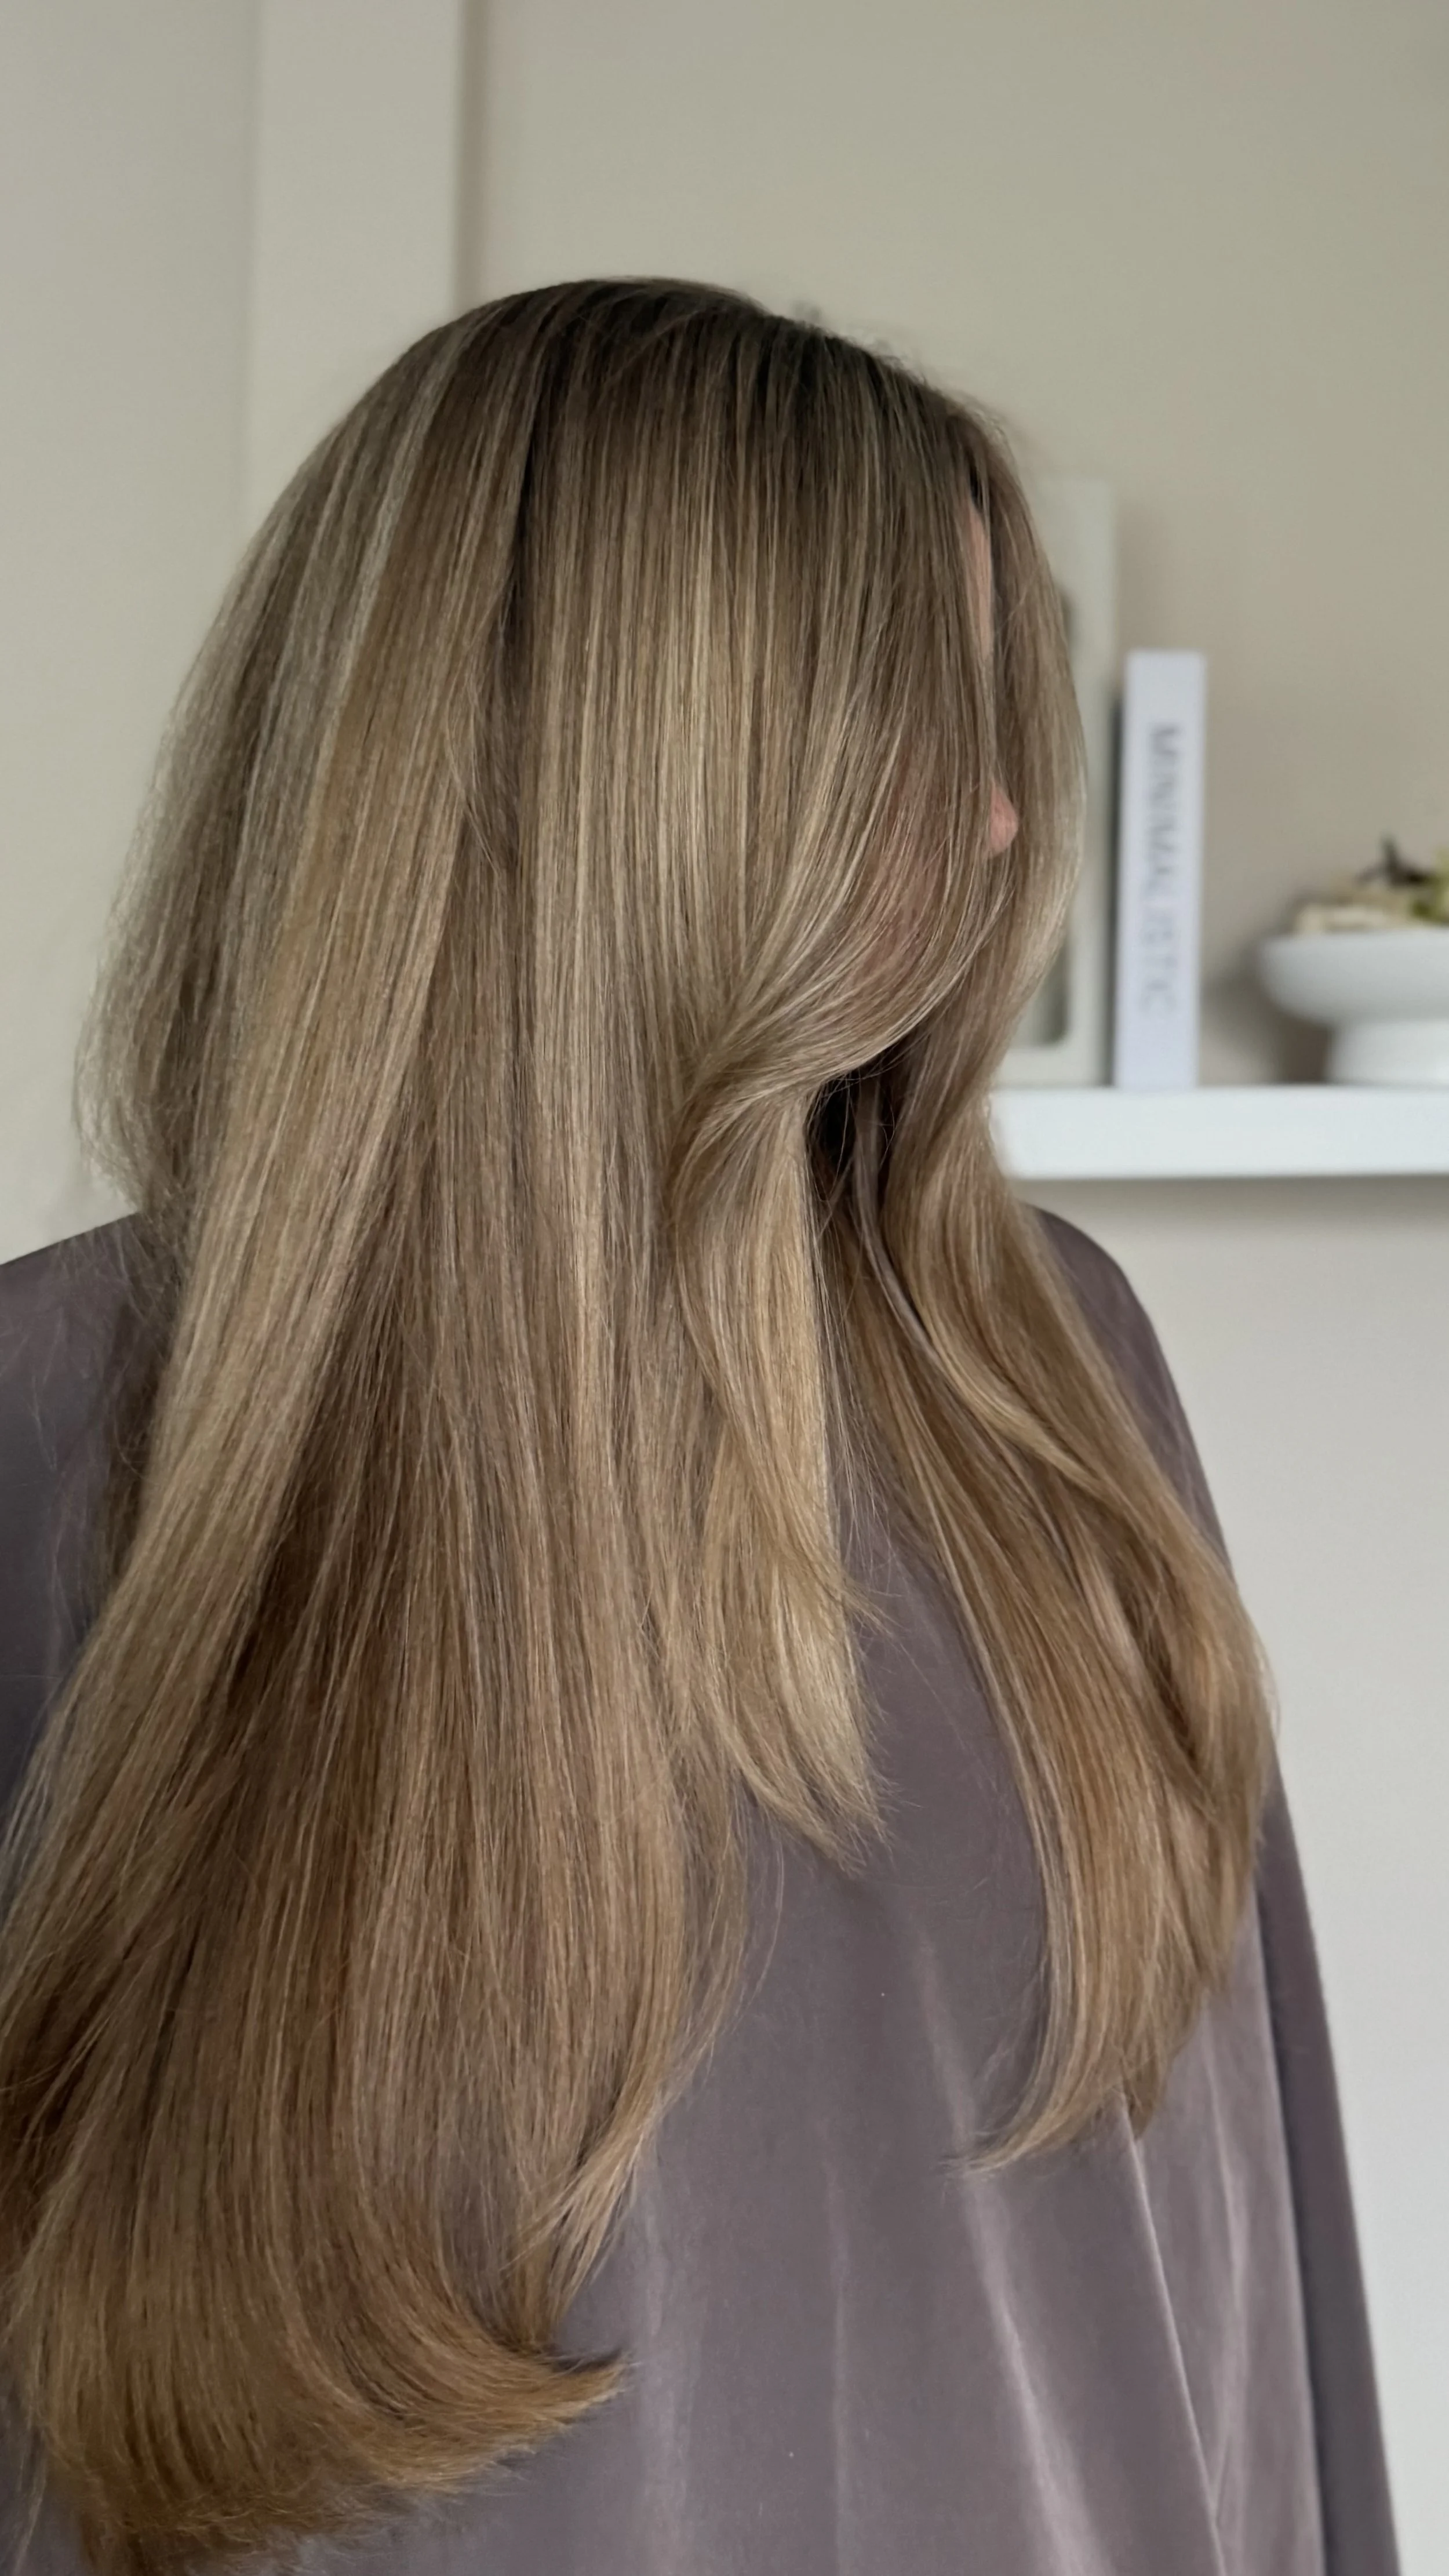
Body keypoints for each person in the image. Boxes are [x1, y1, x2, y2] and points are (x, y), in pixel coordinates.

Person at [0, 280, 1397, 2576]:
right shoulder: (63, 1428)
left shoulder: (1043, 1370)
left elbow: (1250, 2277)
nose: (996, 815)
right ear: (620, 759)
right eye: (908, 720)